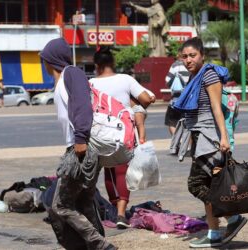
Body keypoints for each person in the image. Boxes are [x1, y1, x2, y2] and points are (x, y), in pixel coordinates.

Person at [40, 38, 117, 250]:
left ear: (50, 59)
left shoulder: (71, 73)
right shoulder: (62, 80)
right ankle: (97, 244)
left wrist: (80, 138)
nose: (42, 63)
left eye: (43, 59)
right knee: (84, 201)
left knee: (60, 205)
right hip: (79, 147)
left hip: (81, 147)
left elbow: (82, 105)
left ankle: (99, 244)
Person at [177, 37, 247, 248]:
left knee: (196, 184)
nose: (188, 60)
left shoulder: (209, 74)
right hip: (200, 137)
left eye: (192, 55)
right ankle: (214, 233)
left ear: (202, 55)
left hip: (211, 138)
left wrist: (224, 138)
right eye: (185, 56)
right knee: (209, 184)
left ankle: (233, 218)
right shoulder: (194, 77)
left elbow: (216, 108)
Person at [89, 46, 154, 229]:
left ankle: (113, 208)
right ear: (113, 63)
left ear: (97, 65)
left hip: (99, 134)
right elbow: (147, 99)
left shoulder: (91, 83)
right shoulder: (125, 79)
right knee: (121, 171)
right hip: (122, 132)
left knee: (108, 171)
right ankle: (120, 213)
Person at [164, 48, 190, 135]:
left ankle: (177, 143)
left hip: (176, 100)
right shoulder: (193, 65)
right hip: (190, 100)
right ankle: (189, 146)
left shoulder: (175, 65)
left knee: (172, 123)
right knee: (189, 125)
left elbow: (167, 80)